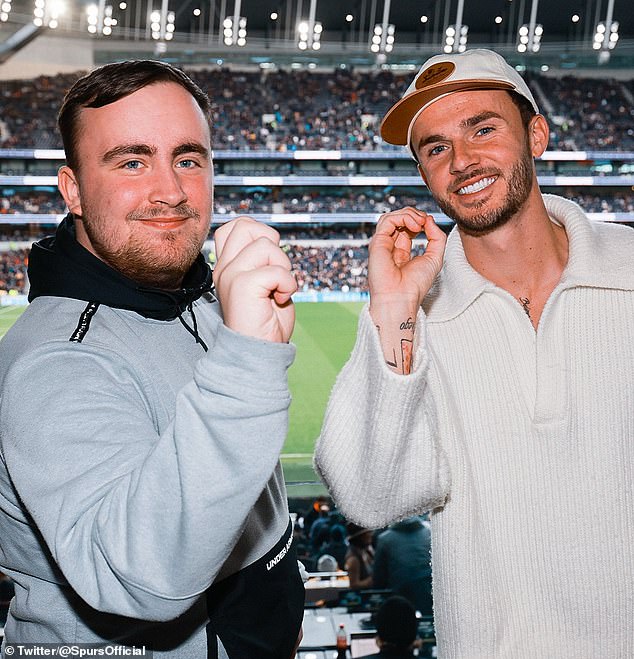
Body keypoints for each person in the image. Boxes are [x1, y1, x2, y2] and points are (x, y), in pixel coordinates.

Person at [315, 48, 634, 658]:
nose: (461, 161)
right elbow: (368, 498)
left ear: (536, 135)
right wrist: (396, 311)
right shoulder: (413, 313)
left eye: (482, 129)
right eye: (435, 148)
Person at [0, 60, 304, 658]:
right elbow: (138, 575)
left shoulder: (194, 300)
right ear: (73, 190)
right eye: (133, 162)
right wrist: (245, 363)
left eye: (188, 159)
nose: (171, 190)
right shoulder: (57, 362)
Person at [372, 516, 432, 617]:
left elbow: (379, 577)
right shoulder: (429, 532)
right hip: (428, 591)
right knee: (428, 624)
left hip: (400, 594)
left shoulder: (384, 539)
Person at [344, 523, 374, 589]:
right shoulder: (353, 559)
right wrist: (372, 580)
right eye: (367, 533)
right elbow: (354, 585)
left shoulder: (367, 552)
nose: (370, 535)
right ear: (360, 537)